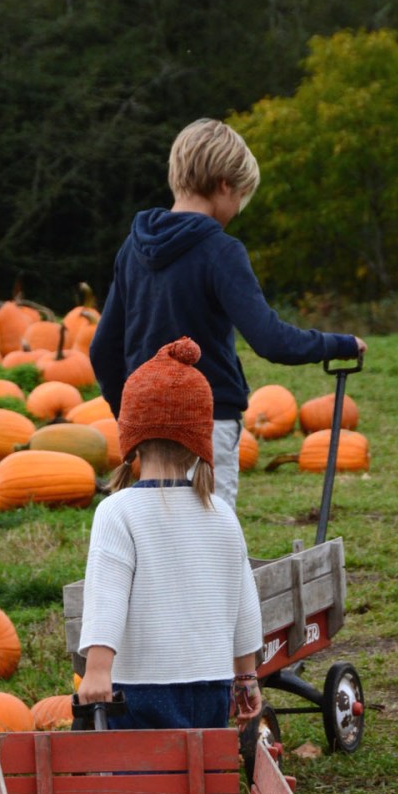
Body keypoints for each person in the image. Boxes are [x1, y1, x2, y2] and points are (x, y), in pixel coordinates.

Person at [89, 117, 366, 507]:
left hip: (147, 424)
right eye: (239, 198)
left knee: (159, 536)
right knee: (209, 537)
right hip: (208, 420)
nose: (237, 210)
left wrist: (131, 413)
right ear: (223, 185)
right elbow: (270, 339)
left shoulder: (133, 248)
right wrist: (338, 344)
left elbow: (102, 349)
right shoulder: (220, 250)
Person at [77, 336, 263, 731]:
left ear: (132, 439)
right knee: (200, 775)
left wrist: (96, 670)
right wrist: (245, 677)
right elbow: (244, 602)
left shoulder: (117, 511)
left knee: (142, 783)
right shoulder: (222, 514)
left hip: (140, 687)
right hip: (212, 685)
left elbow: (105, 598)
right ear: (200, 444)